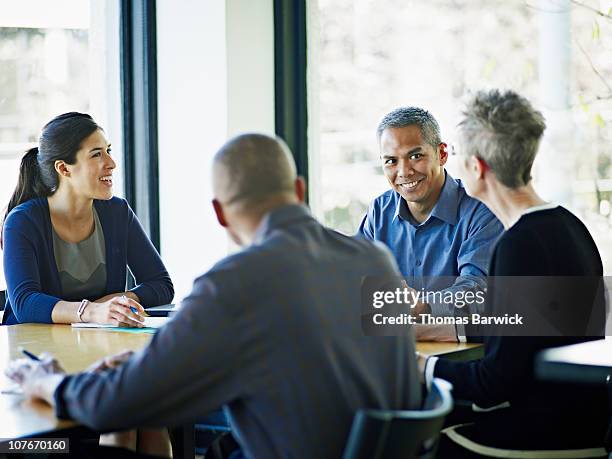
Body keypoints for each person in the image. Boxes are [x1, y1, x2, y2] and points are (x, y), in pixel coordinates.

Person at [6, 133, 421, 459]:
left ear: (220, 213)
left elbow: (112, 407)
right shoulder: (375, 261)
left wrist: (48, 381)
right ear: (298, 189)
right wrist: (155, 359)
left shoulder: (234, 284)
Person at [419, 89, 608, 458]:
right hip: (586, 421)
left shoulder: (518, 244)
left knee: (420, 439)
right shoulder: (568, 225)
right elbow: (534, 330)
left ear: (478, 167)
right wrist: (452, 329)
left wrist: (421, 367)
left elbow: (496, 383)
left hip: (545, 434)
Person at [1, 112, 174, 326]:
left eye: (108, 151)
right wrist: (91, 312)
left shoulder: (117, 212)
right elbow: (25, 303)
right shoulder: (23, 222)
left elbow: (161, 285)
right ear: (64, 168)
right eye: (96, 154)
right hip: (36, 350)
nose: (111, 163)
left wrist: (112, 305)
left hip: (99, 343)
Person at [358, 107, 502, 324]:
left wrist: (423, 307)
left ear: (442, 154)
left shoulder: (481, 211)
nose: (404, 172)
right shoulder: (379, 212)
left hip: (458, 354)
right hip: (394, 349)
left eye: (415, 156)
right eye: (391, 161)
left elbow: (477, 291)